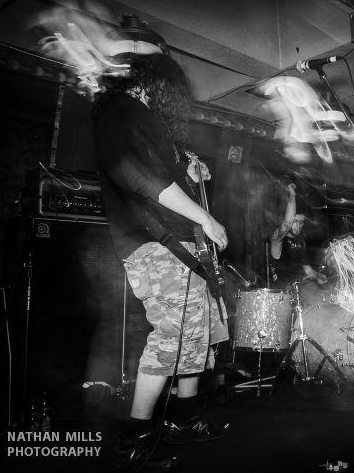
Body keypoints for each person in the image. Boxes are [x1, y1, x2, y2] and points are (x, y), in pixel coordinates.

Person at [93, 53, 229, 470]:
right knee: (172, 336)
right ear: (154, 83)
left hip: (177, 247)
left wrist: (189, 172)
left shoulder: (142, 119)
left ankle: (185, 419)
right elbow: (143, 179)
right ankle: (133, 438)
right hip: (154, 246)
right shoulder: (123, 111)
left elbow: (161, 178)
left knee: (196, 335)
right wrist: (205, 217)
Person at [268, 183, 327, 288]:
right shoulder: (277, 239)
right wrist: (292, 195)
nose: (298, 226)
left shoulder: (300, 241)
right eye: (295, 222)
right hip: (279, 293)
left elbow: (308, 271)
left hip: (295, 292)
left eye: (301, 222)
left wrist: (318, 276)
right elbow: (287, 223)